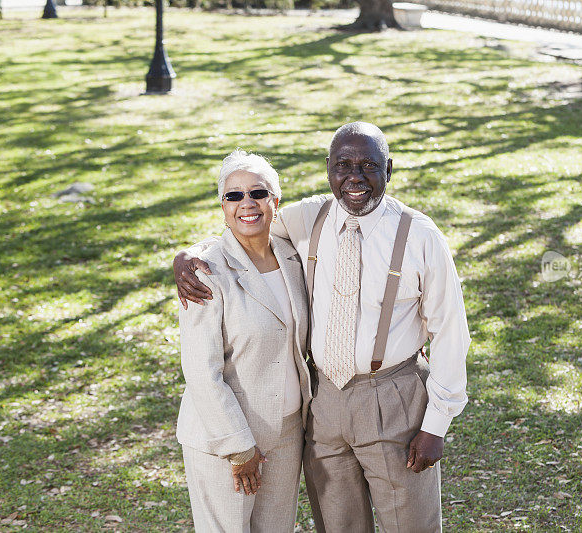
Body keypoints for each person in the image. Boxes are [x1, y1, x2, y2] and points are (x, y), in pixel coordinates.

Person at [175, 122, 469, 533]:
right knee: (338, 524)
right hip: (323, 404)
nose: (355, 177)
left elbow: (452, 333)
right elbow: (244, 226)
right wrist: (188, 254)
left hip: (394, 395)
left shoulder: (421, 236)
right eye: (343, 165)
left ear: (389, 169)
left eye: (368, 166)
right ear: (328, 169)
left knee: (410, 525)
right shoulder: (309, 217)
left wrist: (437, 424)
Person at [175, 149, 311, 533]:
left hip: (287, 433)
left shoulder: (292, 257)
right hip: (226, 438)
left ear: (275, 201)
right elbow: (202, 372)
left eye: (258, 193)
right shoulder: (204, 272)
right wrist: (240, 449)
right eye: (233, 196)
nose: (246, 204)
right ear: (222, 206)